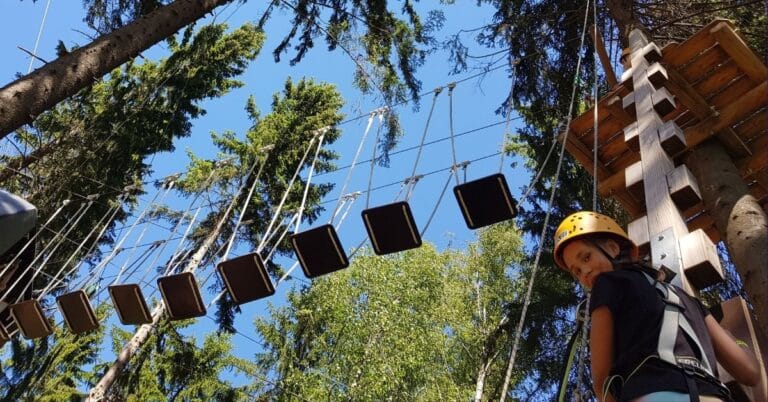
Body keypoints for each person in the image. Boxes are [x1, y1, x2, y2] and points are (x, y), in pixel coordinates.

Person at [552, 211, 760, 402]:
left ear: (613, 248)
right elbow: (750, 371)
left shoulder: (606, 284)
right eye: (577, 271)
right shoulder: (689, 301)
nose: (585, 272)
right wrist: (737, 342)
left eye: (586, 257)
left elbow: (602, 383)